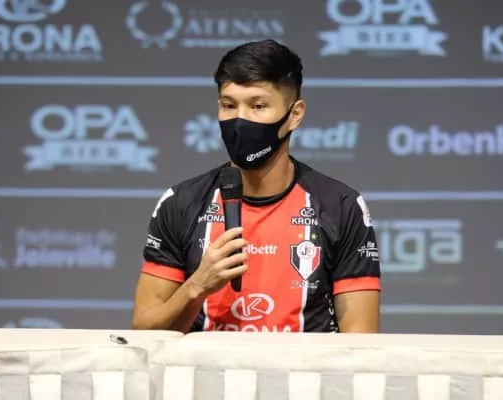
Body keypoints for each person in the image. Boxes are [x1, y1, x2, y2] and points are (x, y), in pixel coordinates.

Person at [131, 39, 381, 333]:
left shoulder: (340, 206)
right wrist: (196, 286)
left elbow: (359, 343)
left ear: (295, 115)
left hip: (301, 365)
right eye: (228, 105)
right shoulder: (181, 203)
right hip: (208, 365)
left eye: (258, 106)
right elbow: (144, 333)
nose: (240, 120)